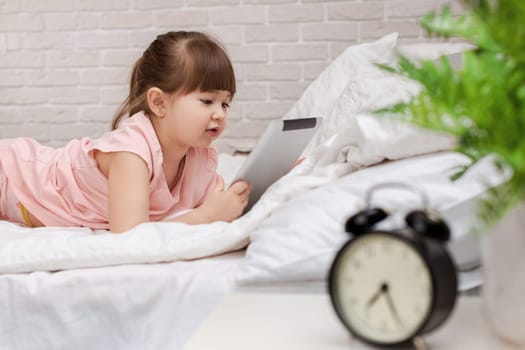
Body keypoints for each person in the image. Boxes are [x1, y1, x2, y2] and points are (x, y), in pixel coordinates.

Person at [0, 31, 251, 233]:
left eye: (225, 103)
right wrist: (207, 216)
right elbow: (130, 237)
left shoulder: (201, 155)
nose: (219, 113)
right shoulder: (131, 154)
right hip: (12, 178)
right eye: (207, 101)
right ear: (159, 103)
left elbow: (212, 201)